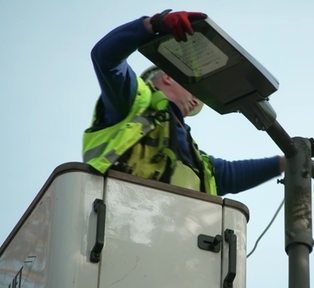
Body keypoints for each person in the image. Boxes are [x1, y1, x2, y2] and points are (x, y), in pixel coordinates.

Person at [82, 10, 286, 196]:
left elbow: (226, 176)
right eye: (195, 90)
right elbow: (105, 58)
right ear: (169, 77)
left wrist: (288, 161)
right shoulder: (133, 101)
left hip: (165, 230)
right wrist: (154, 24)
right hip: (116, 219)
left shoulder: (191, 154)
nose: (198, 99)